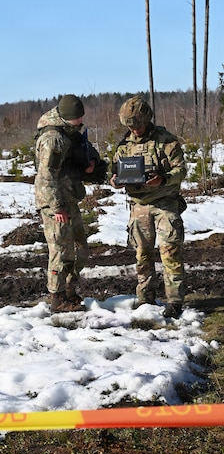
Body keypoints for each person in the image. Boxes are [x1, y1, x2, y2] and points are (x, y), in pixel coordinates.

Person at [110, 96, 187, 318]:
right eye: (130, 126)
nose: (134, 130)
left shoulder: (166, 141)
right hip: (139, 206)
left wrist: (163, 180)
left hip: (165, 204)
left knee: (170, 253)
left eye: (138, 125)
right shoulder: (124, 146)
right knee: (142, 255)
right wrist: (115, 181)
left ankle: (175, 302)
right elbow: (114, 173)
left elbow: (181, 170)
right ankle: (146, 299)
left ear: (147, 120)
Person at [34, 94, 105, 312]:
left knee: (80, 248)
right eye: (78, 118)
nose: (81, 121)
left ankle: (69, 289)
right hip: (55, 203)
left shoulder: (69, 132)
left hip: (69, 198)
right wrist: (57, 208)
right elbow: (46, 177)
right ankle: (57, 298)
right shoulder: (53, 139)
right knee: (61, 250)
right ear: (68, 117)